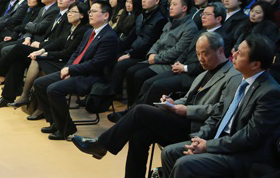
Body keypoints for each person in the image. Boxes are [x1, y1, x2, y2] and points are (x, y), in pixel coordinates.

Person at [71, 32, 239, 178]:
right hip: (183, 120)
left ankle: (101, 145)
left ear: (220, 51)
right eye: (198, 54)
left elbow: (221, 110)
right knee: (138, 135)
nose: (201, 58)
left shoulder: (232, 76)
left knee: (140, 110)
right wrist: (173, 103)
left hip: (198, 128)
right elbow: (188, 98)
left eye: (205, 53)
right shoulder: (204, 72)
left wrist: (187, 110)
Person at [161, 35, 280, 178]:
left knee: (185, 164)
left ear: (255, 65)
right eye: (236, 50)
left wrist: (208, 146)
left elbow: (250, 137)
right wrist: (198, 139)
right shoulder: (236, 80)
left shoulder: (270, 93)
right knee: (169, 153)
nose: (234, 54)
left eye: (240, 53)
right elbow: (218, 115)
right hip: (221, 143)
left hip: (245, 156)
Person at [33, 1, 118, 140]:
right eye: (90, 11)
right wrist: (67, 68)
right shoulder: (89, 32)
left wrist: (71, 70)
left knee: (54, 90)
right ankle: (55, 123)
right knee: (39, 83)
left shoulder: (109, 37)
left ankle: (66, 128)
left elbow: (96, 64)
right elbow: (76, 53)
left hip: (92, 77)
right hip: (77, 70)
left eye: (94, 11)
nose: (90, 14)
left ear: (106, 15)